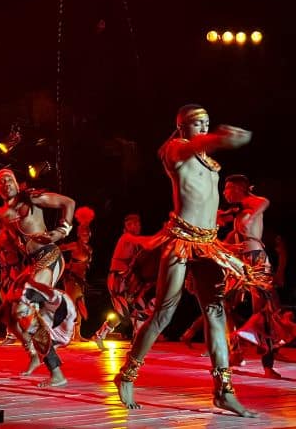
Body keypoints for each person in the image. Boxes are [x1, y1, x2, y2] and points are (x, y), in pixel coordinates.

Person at [114, 104, 258, 417]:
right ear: (181, 127)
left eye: (207, 123)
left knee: (216, 313)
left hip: (207, 243)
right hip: (180, 240)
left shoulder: (206, 160)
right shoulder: (177, 151)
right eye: (197, 123)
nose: (203, 128)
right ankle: (126, 375)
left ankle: (224, 390)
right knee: (164, 314)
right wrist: (219, 137)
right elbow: (192, 145)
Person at [0, 168, 76, 388]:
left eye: (9, 179)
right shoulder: (2, 214)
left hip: (49, 255)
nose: (5, 182)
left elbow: (69, 203)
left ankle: (56, 372)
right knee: (9, 313)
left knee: (23, 307)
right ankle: (34, 353)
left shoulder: (32, 199)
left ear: (17, 184)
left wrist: (61, 231)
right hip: (31, 264)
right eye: (0, 181)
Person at [223, 174, 290, 378]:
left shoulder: (255, 202)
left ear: (237, 188)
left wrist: (248, 213)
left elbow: (263, 202)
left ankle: (267, 365)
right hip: (239, 263)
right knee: (223, 304)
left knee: (263, 312)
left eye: (227, 189)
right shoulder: (235, 212)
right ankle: (236, 348)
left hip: (256, 259)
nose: (224, 193)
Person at [94, 213, 157, 349]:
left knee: (137, 310)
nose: (133, 227)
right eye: (129, 224)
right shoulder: (127, 238)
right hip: (117, 280)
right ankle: (136, 343)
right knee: (128, 312)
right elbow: (147, 242)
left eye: (135, 224)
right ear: (126, 227)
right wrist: (163, 237)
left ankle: (103, 334)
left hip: (129, 281)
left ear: (139, 225)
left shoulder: (136, 242)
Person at [59, 206, 95, 342]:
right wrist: (65, 265)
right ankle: (64, 334)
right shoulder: (74, 245)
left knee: (80, 307)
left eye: (88, 233)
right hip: (71, 280)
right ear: (79, 234)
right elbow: (59, 249)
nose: (86, 235)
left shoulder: (89, 248)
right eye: (83, 233)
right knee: (71, 307)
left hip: (81, 281)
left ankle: (77, 334)